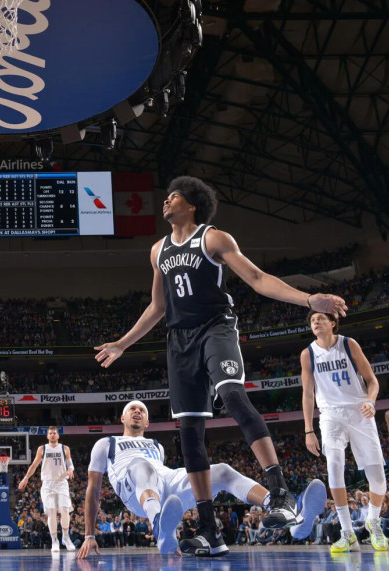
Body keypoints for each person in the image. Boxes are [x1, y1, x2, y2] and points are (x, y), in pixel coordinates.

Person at [94, 176, 347, 555]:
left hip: (215, 328)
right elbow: (158, 307)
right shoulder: (157, 250)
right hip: (179, 342)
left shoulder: (213, 239)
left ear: (192, 205)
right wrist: (122, 343)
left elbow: (258, 278)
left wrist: (310, 300)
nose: (166, 201)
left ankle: (280, 492)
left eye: (173, 196)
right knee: (189, 433)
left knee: (232, 395)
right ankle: (210, 530)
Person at [76, 400, 326, 559]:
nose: (137, 412)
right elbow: (93, 490)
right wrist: (89, 535)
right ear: (122, 418)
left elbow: (161, 475)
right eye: (132, 409)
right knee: (142, 466)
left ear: (148, 421)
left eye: (142, 410)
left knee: (221, 471)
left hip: (165, 482)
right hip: (135, 489)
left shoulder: (157, 446)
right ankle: (159, 526)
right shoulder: (106, 443)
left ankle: (293, 517)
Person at [300, 310, 389, 552]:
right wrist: (308, 429)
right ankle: (347, 532)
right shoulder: (308, 353)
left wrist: (371, 401)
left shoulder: (349, 344)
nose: (315, 322)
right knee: (334, 467)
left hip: (359, 411)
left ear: (333, 322)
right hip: (330, 415)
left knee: (377, 476)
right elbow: (307, 394)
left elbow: (372, 380)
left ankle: (373, 521)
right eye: (312, 320)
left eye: (320, 318)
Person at [18, 426, 77, 552]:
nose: (52, 435)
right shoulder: (42, 449)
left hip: (61, 482)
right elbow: (34, 465)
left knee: (65, 510)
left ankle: (66, 537)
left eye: (54, 433)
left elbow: (70, 464)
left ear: (58, 435)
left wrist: (70, 469)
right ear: (47, 436)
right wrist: (26, 478)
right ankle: (54, 540)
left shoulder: (65, 448)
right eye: (50, 433)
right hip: (48, 484)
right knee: (51, 512)